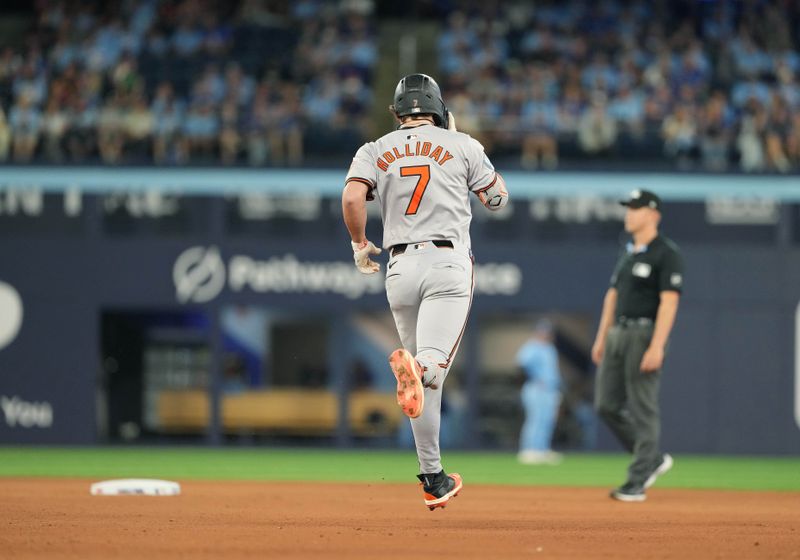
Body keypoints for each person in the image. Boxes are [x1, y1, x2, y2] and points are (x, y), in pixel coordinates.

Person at [342, 73, 508, 510]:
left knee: (422, 389)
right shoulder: (463, 144)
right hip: (447, 262)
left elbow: (353, 199)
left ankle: (433, 477)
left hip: (398, 267)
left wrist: (360, 245)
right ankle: (424, 369)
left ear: (397, 112)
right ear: (439, 107)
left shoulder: (374, 148)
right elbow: (496, 200)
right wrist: (461, 147)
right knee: (432, 369)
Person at [591, 189, 683, 502]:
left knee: (643, 407)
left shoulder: (666, 253)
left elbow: (669, 303)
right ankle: (652, 459)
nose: (629, 213)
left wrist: (657, 345)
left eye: (636, 207)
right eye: (628, 207)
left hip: (644, 333)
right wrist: (602, 336)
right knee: (606, 404)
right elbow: (611, 297)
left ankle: (638, 479)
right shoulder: (629, 253)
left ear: (653, 214)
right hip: (619, 332)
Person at [516, 319, 563, 465]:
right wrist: (536, 377)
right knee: (535, 419)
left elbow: (554, 371)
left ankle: (542, 449)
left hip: (551, 389)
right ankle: (529, 450)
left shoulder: (550, 348)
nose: (545, 334)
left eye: (547, 332)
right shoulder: (531, 347)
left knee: (547, 420)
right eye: (542, 331)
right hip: (535, 388)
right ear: (537, 332)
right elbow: (521, 364)